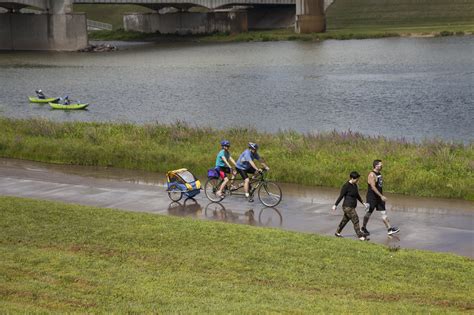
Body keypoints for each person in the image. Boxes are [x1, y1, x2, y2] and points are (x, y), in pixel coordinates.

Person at [361, 159, 400, 236]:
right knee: (368, 213)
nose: (382, 166)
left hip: (379, 198)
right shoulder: (372, 175)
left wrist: (381, 196)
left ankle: (389, 229)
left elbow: (379, 186)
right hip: (372, 198)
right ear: (376, 166)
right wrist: (381, 196)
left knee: (384, 213)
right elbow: (373, 187)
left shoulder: (379, 173)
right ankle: (363, 228)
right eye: (380, 165)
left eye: (381, 165)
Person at [332, 171, 367, 240]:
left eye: (358, 179)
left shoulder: (355, 185)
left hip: (352, 206)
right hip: (347, 207)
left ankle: (337, 233)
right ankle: (360, 236)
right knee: (355, 219)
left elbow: (357, 195)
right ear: (352, 178)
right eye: (356, 179)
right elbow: (341, 196)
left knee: (345, 220)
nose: (357, 180)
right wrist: (335, 205)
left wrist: (363, 203)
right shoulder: (346, 186)